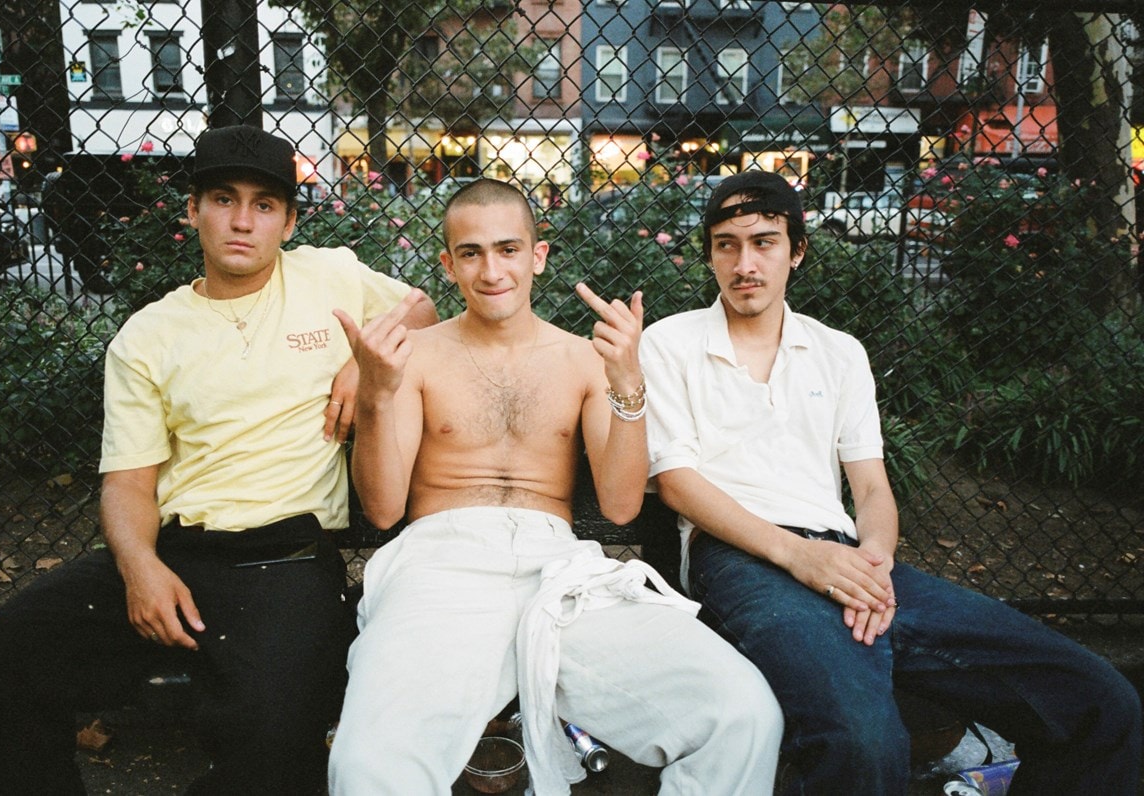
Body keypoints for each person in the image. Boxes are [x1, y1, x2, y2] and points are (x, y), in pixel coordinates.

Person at [0, 125, 438, 795]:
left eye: (264, 205)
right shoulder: (148, 336)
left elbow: (424, 309)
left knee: (271, 745)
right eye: (223, 199)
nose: (242, 221)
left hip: (285, 563)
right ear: (192, 210)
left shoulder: (331, 277)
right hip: (174, 558)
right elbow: (128, 484)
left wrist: (362, 358)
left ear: (288, 221)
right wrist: (140, 566)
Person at [639, 171, 1143, 795]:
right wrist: (800, 556)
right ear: (710, 253)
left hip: (851, 558)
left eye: (764, 242)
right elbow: (678, 483)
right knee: (864, 741)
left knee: (1098, 700)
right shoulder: (670, 343)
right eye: (727, 245)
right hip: (742, 559)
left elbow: (872, 488)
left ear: (797, 250)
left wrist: (874, 561)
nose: (745, 263)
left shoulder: (838, 351)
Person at [326, 178, 782, 795]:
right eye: (471, 252)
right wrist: (378, 396)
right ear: (448, 263)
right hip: (442, 565)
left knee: (742, 713)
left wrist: (627, 384)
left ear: (538, 255)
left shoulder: (584, 360)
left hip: (561, 573)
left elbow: (621, 506)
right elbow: (382, 510)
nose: (492, 270)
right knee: (367, 767)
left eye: (509, 249)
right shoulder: (416, 357)